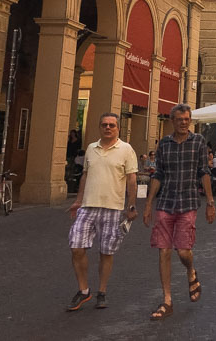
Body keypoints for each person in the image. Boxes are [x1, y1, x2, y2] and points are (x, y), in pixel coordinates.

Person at [143, 104, 215, 321]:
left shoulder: (199, 142)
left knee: (183, 251)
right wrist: (148, 204)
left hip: (188, 202)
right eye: (180, 119)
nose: (184, 122)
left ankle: (191, 271)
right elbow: (159, 174)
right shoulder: (164, 143)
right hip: (165, 202)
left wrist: (210, 203)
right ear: (172, 120)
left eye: (187, 119)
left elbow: (204, 172)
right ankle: (167, 300)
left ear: (190, 121)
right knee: (164, 251)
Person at [66, 112, 137, 311]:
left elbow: (131, 180)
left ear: (118, 129)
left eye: (111, 125)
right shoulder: (91, 148)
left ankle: (102, 291)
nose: (108, 128)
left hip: (113, 208)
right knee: (76, 245)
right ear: (99, 127)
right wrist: (78, 201)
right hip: (88, 206)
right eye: (104, 125)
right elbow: (85, 176)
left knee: (106, 252)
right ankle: (84, 290)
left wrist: (131, 206)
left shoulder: (126, 149)